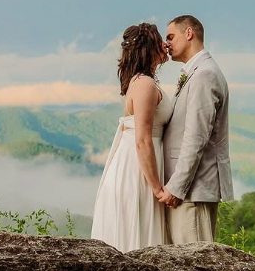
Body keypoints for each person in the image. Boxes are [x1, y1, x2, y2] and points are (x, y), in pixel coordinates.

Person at [91, 22, 174, 251]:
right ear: (150, 48)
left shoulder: (139, 81)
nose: (165, 45)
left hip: (137, 165)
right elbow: (142, 140)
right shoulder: (145, 84)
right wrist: (157, 188)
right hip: (138, 171)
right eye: (160, 41)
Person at [160, 14, 233, 242]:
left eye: (171, 36)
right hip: (188, 191)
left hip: (192, 191)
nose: (166, 44)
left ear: (189, 33)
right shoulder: (198, 72)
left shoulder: (204, 75)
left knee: (194, 267)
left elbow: (195, 137)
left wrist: (176, 188)